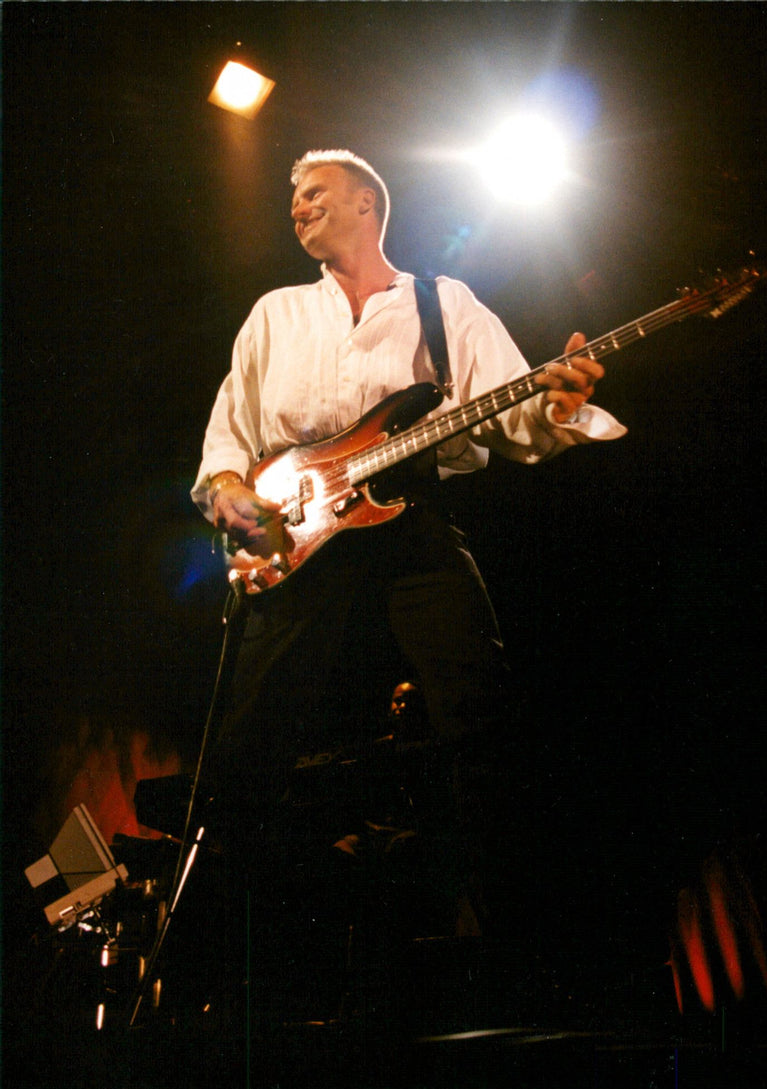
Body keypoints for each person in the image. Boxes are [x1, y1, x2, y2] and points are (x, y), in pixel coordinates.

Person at [191, 149, 625, 936]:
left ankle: (508, 934)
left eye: (314, 195)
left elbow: (513, 417)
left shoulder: (443, 304)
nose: (297, 209)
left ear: (367, 205)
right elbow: (230, 435)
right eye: (294, 201)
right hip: (295, 536)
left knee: (479, 713)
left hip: (408, 516)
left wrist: (555, 400)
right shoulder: (275, 314)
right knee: (252, 737)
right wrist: (227, 494)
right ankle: (234, 941)